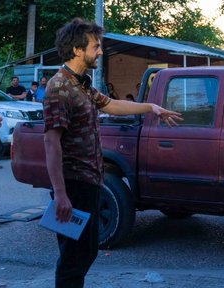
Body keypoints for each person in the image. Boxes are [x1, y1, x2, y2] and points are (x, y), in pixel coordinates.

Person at [43, 18, 182, 287]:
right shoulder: (60, 87)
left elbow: (112, 105)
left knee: (87, 250)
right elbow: (51, 143)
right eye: (95, 46)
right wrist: (60, 194)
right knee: (74, 257)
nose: (100, 51)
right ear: (77, 50)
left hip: (90, 180)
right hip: (73, 184)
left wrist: (150, 107)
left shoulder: (80, 84)